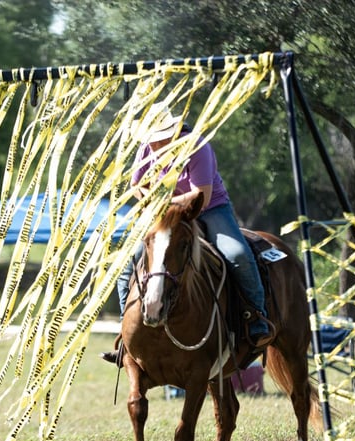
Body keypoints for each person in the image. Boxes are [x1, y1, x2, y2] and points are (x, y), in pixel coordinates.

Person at [111, 105, 273, 353]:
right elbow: (136, 185)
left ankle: (256, 316)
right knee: (128, 265)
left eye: (157, 140)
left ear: (172, 133)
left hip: (208, 209)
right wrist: (152, 199)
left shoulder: (197, 147)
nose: (152, 145)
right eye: (151, 140)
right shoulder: (146, 146)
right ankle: (128, 330)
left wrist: (162, 200)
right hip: (164, 215)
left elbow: (201, 196)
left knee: (236, 254)